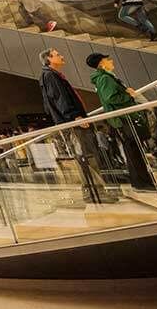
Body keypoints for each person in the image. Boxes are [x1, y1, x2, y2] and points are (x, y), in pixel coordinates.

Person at [39, 48, 114, 203]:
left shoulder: (51, 75)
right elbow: (59, 98)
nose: (62, 56)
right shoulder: (50, 75)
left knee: (86, 156)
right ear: (49, 59)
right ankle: (95, 192)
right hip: (73, 122)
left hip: (71, 120)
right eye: (58, 54)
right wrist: (75, 116)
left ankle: (95, 192)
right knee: (86, 156)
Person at [86, 53, 157, 190]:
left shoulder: (106, 77)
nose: (111, 61)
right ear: (101, 64)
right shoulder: (105, 78)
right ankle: (141, 183)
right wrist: (128, 95)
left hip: (123, 119)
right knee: (133, 152)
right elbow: (111, 98)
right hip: (124, 120)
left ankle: (143, 182)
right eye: (107, 59)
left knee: (134, 151)